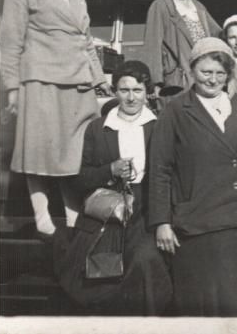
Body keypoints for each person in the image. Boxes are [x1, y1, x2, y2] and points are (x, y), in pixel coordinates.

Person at [148, 37, 237, 316]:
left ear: (228, 75)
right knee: (204, 310)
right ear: (192, 71)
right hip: (199, 227)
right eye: (206, 72)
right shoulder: (176, 109)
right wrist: (162, 221)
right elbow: (160, 169)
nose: (212, 80)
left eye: (220, 74)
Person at [0, 0, 109, 240]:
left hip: (79, 82)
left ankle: (74, 216)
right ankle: (43, 216)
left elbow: (86, 39)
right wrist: (13, 90)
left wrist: (99, 78)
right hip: (42, 81)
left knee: (74, 152)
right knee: (40, 152)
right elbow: (11, 44)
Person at [55, 61, 172, 315]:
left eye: (138, 90)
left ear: (148, 91)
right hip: (108, 212)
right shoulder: (98, 129)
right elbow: (78, 180)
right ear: (115, 91)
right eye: (124, 90)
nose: (131, 97)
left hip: (147, 211)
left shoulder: (159, 126)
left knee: (145, 262)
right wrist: (109, 170)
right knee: (94, 270)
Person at [141, 0, 221, 101]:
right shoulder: (161, 6)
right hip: (176, 83)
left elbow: (219, 36)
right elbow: (152, 47)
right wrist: (154, 84)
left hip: (202, 79)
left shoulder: (199, 7)